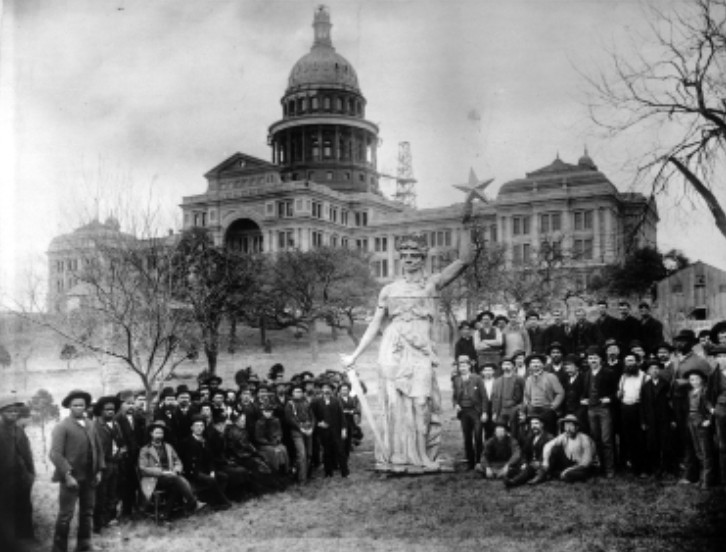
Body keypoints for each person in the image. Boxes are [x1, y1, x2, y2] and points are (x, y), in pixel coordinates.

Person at [340, 231, 475, 472]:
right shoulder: (389, 290)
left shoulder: (431, 283)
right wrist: (355, 354)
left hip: (421, 348)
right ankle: (397, 456)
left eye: (415, 255)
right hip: (394, 347)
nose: (409, 259)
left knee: (422, 401)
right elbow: (374, 324)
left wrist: (465, 224)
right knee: (395, 402)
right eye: (405, 255)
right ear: (399, 259)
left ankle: (422, 455)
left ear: (423, 258)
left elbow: (464, 260)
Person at [50, 389, 105, 552]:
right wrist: (67, 475)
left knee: (87, 512)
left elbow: (99, 449)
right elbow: (55, 454)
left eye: (82, 405)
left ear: (87, 406)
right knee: (66, 515)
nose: (79, 408)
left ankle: (84, 545)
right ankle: (59, 548)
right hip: (71, 479)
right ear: (69, 407)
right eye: (75, 405)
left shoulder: (91, 424)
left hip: (90, 477)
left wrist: (99, 471)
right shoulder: (62, 426)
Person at [138, 420, 204, 516]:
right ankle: (193, 502)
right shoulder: (145, 450)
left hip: (171, 476)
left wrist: (176, 470)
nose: (159, 435)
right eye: (157, 433)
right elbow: (142, 469)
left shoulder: (168, 447)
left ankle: (165, 514)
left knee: (176, 485)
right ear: (151, 434)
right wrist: (162, 472)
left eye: (161, 433)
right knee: (177, 480)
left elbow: (178, 461)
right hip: (154, 479)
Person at [671, 329, 712, 468]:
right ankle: (686, 465)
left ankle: (696, 469)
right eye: (678, 341)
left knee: (692, 435)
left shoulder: (699, 361)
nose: (680, 344)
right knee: (682, 434)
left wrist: (686, 383)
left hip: (691, 402)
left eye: (684, 341)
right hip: (677, 402)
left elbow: (707, 382)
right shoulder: (676, 359)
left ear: (691, 343)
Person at [0, 395, 35, 550]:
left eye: (15, 412)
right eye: (9, 412)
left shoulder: (19, 430)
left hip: (21, 478)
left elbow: (27, 453)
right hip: (4, 479)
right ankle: (8, 542)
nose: (13, 415)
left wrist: (30, 473)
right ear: (1, 413)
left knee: (24, 507)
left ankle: (25, 537)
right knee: (6, 510)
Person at [179, 416, 231, 510]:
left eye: (201, 426)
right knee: (210, 480)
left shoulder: (205, 441)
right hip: (193, 472)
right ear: (192, 428)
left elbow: (210, 459)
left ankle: (214, 502)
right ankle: (224, 502)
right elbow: (187, 463)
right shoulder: (187, 442)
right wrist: (200, 473)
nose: (199, 428)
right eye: (197, 426)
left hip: (205, 469)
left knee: (223, 477)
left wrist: (212, 470)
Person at [581, 347, 618, 478]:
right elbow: (584, 392)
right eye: (590, 358)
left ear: (600, 359)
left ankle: (610, 469)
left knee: (606, 439)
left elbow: (616, 391)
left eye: (595, 358)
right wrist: (583, 400)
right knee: (595, 438)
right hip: (591, 409)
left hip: (604, 409)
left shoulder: (608, 372)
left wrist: (610, 398)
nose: (592, 361)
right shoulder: (586, 374)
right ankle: (600, 467)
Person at [640, 358, 675, 478]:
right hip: (651, 420)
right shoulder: (645, 386)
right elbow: (643, 405)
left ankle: (668, 469)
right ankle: (655, 469)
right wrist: (643, 421)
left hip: (664, 418)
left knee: (666, 444)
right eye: (651, 369)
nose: (654, 371)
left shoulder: (665, 384)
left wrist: (672, 419)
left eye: (656, 368)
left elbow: (671, 403)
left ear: (659, 370)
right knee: (652, 444)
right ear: (648, 372)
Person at [92, 396, 122, 533]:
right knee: (101, 494)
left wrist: (121, 450)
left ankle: (110, 518)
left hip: (115, 463)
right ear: (100, 411)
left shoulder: (115, 424)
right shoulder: (95, 426)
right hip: (103, 465)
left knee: (113, 492)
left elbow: (119, 441)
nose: (111, 412)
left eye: (113, 409)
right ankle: (98, 524)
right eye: (107, 409)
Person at [114, 389, 145, 521]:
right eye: (128, 403)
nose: (131, 406)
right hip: (123, 459)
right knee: (124, 485)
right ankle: (124, 511)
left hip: (136, 456)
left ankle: (134, 508)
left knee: (135, 483)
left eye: (133, 403)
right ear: (120, 404)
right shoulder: (117, 420)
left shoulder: (138, 418)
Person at [452, 355, 486, 470]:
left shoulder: (477, 378)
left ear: (469, 366)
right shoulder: (456, 379)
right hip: (464, 412)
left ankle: (479, 461)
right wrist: (456, 404)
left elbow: (484, 397)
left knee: (478, 436)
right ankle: (470, 462)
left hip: (476, 411)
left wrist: (484, 412)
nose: (462, 368)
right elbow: (455, 395)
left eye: (464, 366)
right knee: (467, 437)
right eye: (460, 366)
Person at [542, 414, 598, 482]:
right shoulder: (564, 436)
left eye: (571, 426)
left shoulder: (584, 439)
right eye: (566, 426)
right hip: (571, 464)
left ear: (577, 427)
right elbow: (547, 446)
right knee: (555, 449)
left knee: (570, 475)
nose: (568, 429)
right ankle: (556, 474)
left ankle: (560, 474)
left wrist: (567, 470)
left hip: (584, 467)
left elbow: (586, 463)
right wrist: (545, 462)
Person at [310, 380, 348, 478]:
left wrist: (343, 429)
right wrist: (319, 423)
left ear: (331, 390)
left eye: (328, 388)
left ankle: (345, 472)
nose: (326, 390)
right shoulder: (316, 401)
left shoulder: (336, 401)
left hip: (336, 430)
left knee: (340, 451)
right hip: (324, 431)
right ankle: (328, 473)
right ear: (321, 390)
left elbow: (341, 416)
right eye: (324, 388)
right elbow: (312, 415)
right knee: (327, 452)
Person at [617, 354, 647, 476]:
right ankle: (634, 467)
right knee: (629, 438)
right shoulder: (623, 377)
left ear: (637, 362)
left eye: (632, 361)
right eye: (627, 361)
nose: (629, 364)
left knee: (641, 438)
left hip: (639, 409)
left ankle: (644, 468)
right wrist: (618, 395)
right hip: (626, 409)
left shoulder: (645, 377)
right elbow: (619, 393)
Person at [504, 415, 553, 487]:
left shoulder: (549, 438)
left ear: (542, 424)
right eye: (532, 424)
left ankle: (513, 482)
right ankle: (512, 477)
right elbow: (524, 452)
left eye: (536, 423)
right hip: (530, 464)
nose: (533, 426)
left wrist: (540, 462)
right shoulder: (530, 437)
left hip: (542, 465)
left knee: (529, 469)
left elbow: (550, 455)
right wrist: (524, 462)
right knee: (512, 470)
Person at [522, 353, 564, 436]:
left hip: (547, 410)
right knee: (533, 434)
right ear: (529, 366)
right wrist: (528, 405)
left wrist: (553, 406)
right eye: (533, 363)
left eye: (538, 362)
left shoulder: (550, 377)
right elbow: (526, 395)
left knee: (548, 434)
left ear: (542, 365)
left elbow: (560, 393)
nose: (535, 365)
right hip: (533, 411)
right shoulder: (529, 379)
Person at [285, 382, 315, 482]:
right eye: (296, 391)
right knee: (301, 454)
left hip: (308, 429)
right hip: (297, 431)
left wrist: (311, 428)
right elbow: (290, 419)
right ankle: (302, 479)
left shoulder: (306, 402)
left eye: (300, 391)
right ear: (292, 393)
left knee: (309, 454)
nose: (299, 393)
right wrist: (300, 428)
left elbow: (312, 417)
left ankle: (308, 474)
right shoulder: (290, 404)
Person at [707, 344, 726, 487]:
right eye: (719, 356)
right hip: (721, 412)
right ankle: (724, 480)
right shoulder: (713, 375)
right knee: (722, 446)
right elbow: (707, 398)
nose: (722, 359)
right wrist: (713, 410)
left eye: (724, 355)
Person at [491, 356, 525, 437]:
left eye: (509, 364)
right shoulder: (497, 381)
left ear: (513, 366)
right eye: (504, 364)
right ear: (502, 367)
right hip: (501, 409)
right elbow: (494, 398)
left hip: (514, 409)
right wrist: (494, 412)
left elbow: (525, 395)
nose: (506, 366)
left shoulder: (519, 379)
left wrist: (522, 411)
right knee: (501, 432)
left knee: (514, 433)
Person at [255, 401, 290, 473]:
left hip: (275, 442)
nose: (267, 413)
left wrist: (277, 439)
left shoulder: (276, 420)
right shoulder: (259, 422)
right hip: (264, 444)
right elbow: (258, 437)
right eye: (265, 411)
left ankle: (285, 471)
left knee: (283, 449)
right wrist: (269, 442)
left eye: (269, 411)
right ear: (262, 412)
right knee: (274, 452)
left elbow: (279, 432)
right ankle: (275, 471)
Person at [561, 354, 588, 430]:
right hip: (566, 410)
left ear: (577, 367)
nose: (567, 367)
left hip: (580, 411)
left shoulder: (584, 378)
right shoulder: (564, 378)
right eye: (566, 365)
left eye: (570, 365)